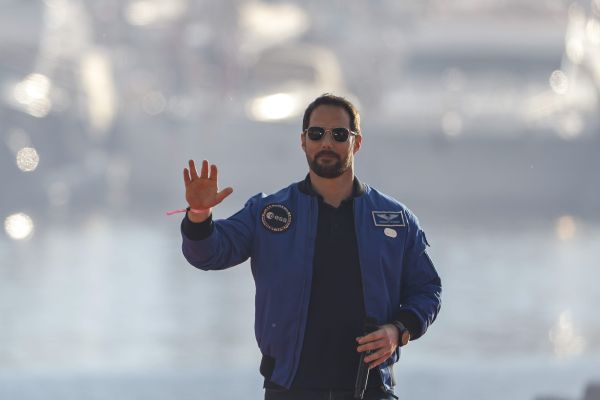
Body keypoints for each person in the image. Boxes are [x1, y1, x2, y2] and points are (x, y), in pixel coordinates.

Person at [179, 94, 441, 400]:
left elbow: (427, 289)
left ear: (356, 143)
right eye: (317, 134)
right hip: (290, 387)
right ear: (303, 141)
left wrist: (399, 330)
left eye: (339, 134)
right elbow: (209, 252)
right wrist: (199, 215)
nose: (326, 143)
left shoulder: (395, 220)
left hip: (371, 387)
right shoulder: (268, 212)